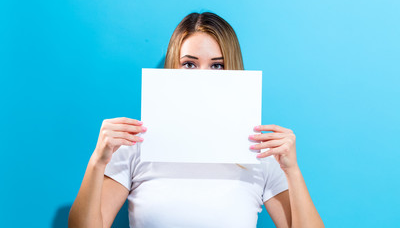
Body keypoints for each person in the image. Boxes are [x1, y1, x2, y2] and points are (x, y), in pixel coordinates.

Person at [68, 12, 324, 228]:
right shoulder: (136, 143)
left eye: (217, 65)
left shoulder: (258, 151)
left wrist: (292, 170)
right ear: (174, 67)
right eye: (189, 64)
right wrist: (97, 161)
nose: (203, 77)